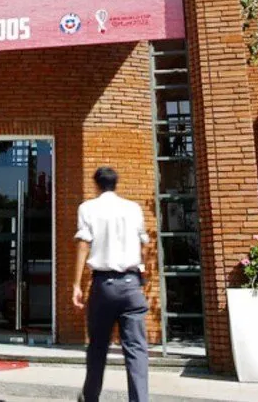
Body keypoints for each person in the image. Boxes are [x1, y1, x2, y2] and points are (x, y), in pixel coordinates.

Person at [72, 166, 151, 402]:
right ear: (116, 184)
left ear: (96, 184)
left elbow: (84, 244)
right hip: (131, 283)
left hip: (104, 285)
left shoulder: (88, 208)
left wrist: (76, 284)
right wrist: (142, 272)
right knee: (137, 350)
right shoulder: (133, 208)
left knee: (97, 347)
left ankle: (90, 397)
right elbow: (145, 244)